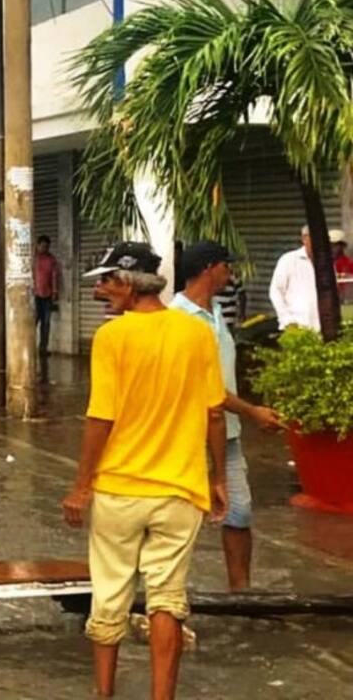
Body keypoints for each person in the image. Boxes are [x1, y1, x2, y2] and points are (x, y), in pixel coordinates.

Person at [62, 241, 227, 700]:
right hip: (180, 491)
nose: (100, 291)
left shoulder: (113, 337)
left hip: (119, 492)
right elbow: (215, 414)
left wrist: (81, 487)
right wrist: (218, 478)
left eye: (106, 282)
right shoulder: (196, 334)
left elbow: (101, 418)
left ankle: (104, 693)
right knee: (167, 599)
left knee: (109, 595)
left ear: (128, 283)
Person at [170, 242, 280, 590]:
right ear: (208, 268)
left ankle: (241, 592)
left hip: (227, 431)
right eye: (226, 267)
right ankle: (166, 594)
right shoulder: (178, 318)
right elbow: (205, 388)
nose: (230, 274)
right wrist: (253, 411)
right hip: (188, 435)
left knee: (239, 512)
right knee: (176, 518)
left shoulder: (217, 311)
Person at [269, 225, 321, 330]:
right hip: (296, 326)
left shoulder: (326, 263)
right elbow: (275, 291)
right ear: (304, 239)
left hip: (321, 327)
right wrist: (287, 320)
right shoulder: (289, 259)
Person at [33, 235, 59, 355]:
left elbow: (54, 277)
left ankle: (43, 348)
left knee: (46, 323)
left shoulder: (51, 260)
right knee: (33, 321)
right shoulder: (33, 259)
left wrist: (55, 291)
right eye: (43, 246)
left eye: (47, 247)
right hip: (35, 295)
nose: (45, 249)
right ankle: (29, 345)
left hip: (47, 295)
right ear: (38, 245)